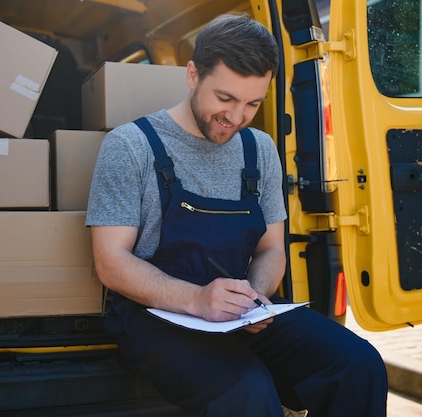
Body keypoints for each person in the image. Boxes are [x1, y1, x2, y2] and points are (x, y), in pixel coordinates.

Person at [85, 13, 388, 417]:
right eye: (225, 99)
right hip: (155, 317)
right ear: (193, 75)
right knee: (245, 389)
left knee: (358, 365)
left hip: (236, 310)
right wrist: (197, 300)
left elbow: (271, 249)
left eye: (253, 103)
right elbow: (111, 263)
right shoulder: (130, 146)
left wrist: (254, 300)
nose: (237, 117)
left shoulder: (259, 149)